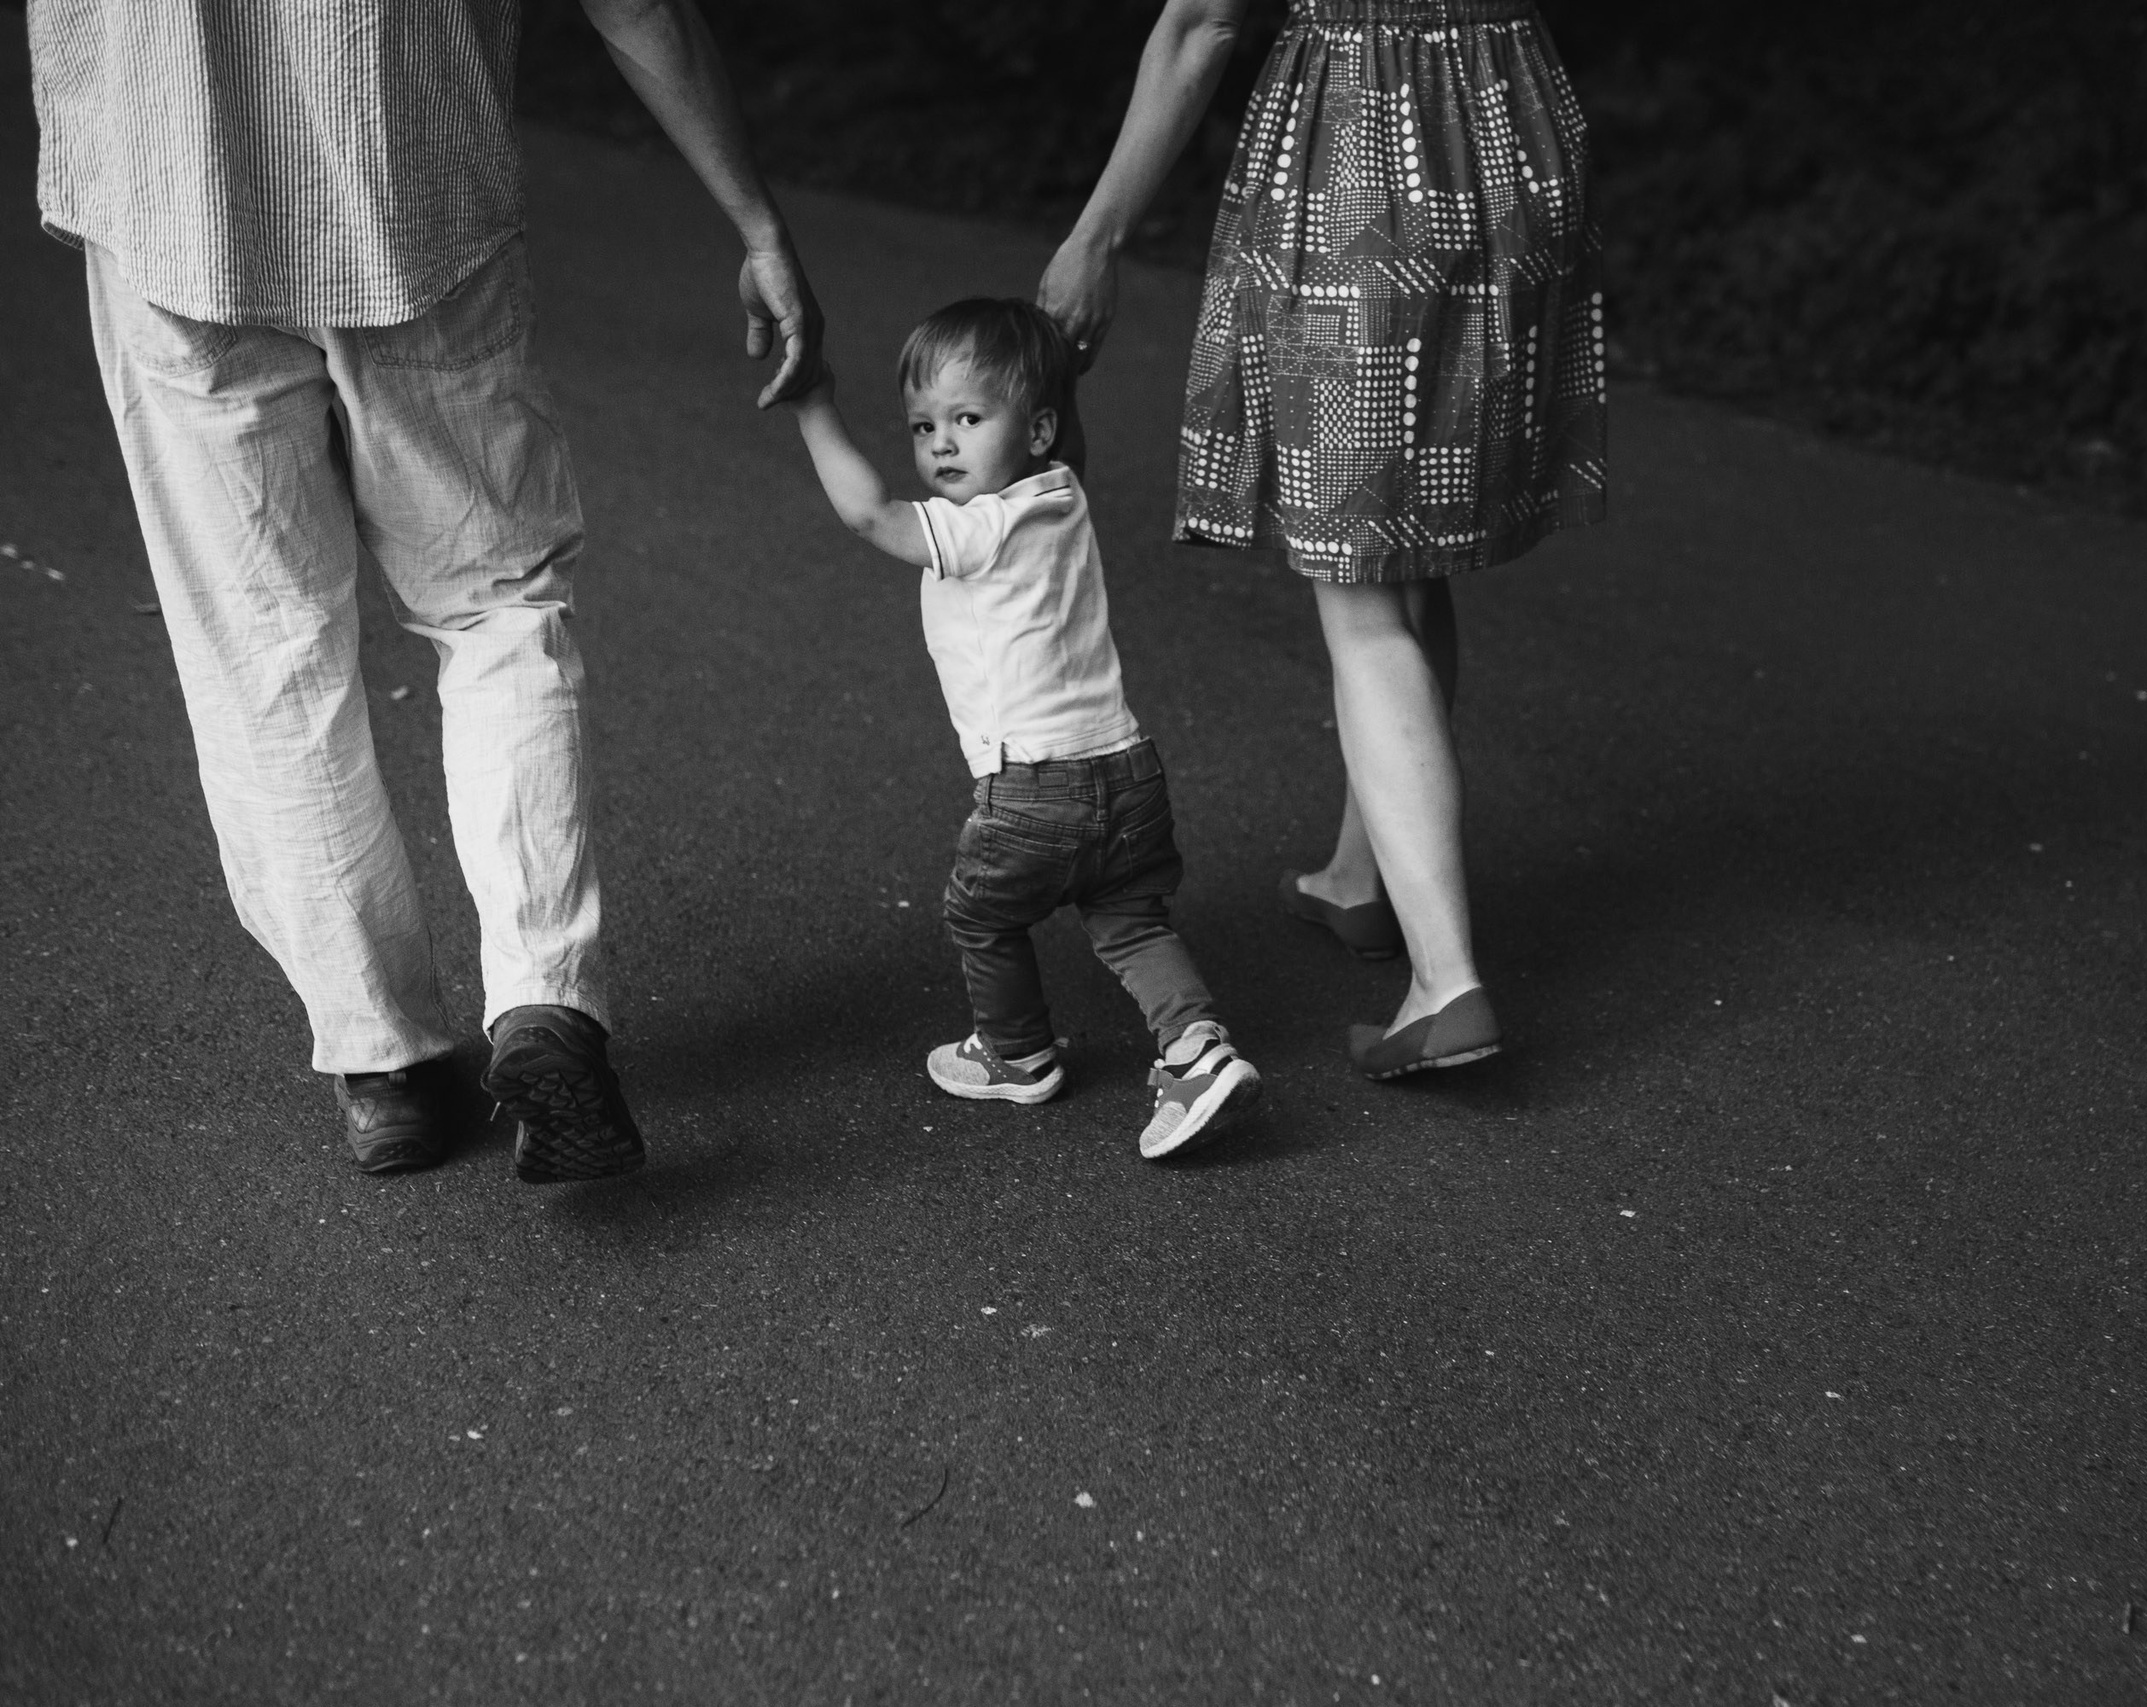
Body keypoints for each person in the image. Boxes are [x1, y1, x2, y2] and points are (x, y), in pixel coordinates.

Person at [28, 0, 825, 1180]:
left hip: (169, 219)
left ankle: (383, 1062)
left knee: (264, 651)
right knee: (500, 604)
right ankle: (546, 1001)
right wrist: (755, 219)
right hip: (414, 204)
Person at [1039, 0, 1606, 1080]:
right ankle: (1360, 877)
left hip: (1366, 155)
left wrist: (1094, 236)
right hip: (1516, 129)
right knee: (1413, 542)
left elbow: (1203, 22)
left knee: (1360, 591)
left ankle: (1446, 984)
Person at [787, 298, 1264, 1160]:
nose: (941, 443)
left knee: (979, 915)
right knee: (1133, 923)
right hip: (1127, 769)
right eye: (923, 424)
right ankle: (1200, 1053)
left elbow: (869, 515)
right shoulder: (1061, 492)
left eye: (969, 419)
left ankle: (1017, 1052)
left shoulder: (980, 526)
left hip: (1032, 791)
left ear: (1036, 427)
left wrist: (815, 399)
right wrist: (1059, 372)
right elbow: (1061, 438)